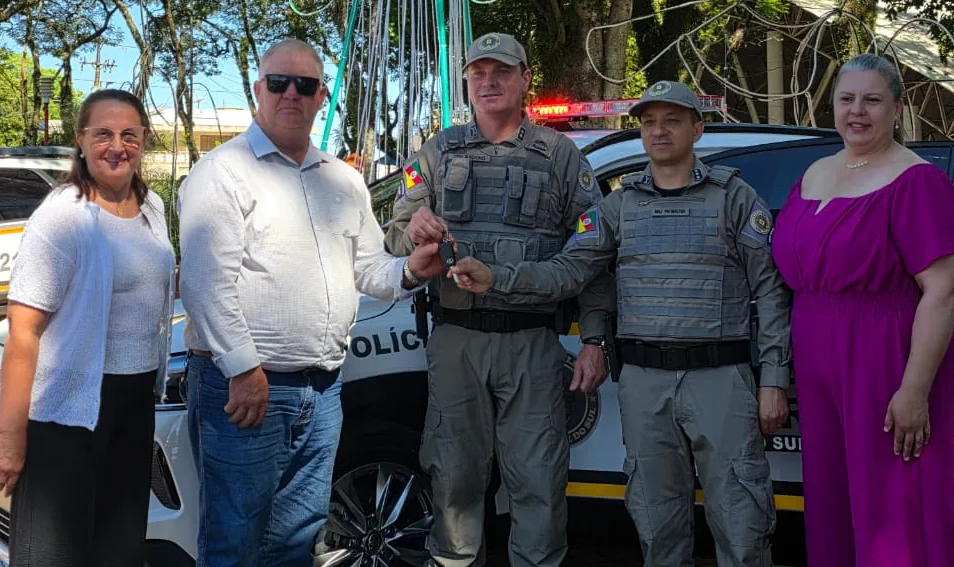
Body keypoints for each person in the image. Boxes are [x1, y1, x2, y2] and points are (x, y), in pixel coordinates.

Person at [450, 80, 792, 567]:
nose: (659, 131)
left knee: (742, 529)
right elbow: (567, 270)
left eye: (672, 120)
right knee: (657, 530)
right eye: (649, 121)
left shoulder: (734, 198)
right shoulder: (618, 207)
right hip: (644, 387)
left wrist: (773, 379)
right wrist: (496, 278)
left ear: (697, 128)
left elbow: (770, 293)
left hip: (722, 380)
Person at [177, 38, 447, 567]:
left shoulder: (343, 181)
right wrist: (244, 368)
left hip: (322, 390)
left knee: (297, 539)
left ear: (323, 95)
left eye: (305, 85)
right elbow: (207, 286)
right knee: (236, 539)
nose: (291, 94)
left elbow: (369, 269)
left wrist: (412, 271)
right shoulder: (223, 172)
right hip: (249, 386)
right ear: (259, 89)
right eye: (279, 82)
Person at [384, 32, 612, 567]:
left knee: (537, 483)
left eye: (502, 71)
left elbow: (594, 255)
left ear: (525, 78)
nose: (489, 81)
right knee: (454, 482)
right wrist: (414, 228)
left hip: (531, 345)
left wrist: (596, 336)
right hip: (456, 342)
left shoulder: (560, 157)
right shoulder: (437, 151)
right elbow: (393, 236)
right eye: (478, 71)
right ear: (466, 81)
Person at [771, 54, 954, 566]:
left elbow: (943, 292)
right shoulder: (814, 171)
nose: (858, 111)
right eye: (847, 99)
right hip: (817, 357)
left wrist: (914, 390)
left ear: (897, 107)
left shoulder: (916, 182)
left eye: (873, 100)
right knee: (832, 501)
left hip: (884, 357)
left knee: (890, 506)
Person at [0, 89, 177, 566]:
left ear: (143, 141)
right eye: (102, 134)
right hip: (67, 412)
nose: (116, 146)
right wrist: (10, 441)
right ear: (80, 140)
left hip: (134, 402)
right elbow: (22, 333)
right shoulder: (62, 217)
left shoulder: (153, 207)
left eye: (128, 134)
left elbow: (152, 290)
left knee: (117, 552)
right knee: (52, 554)